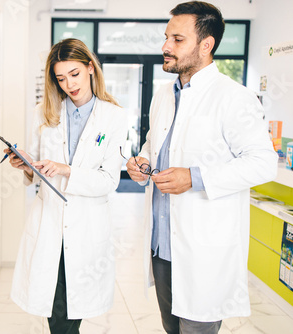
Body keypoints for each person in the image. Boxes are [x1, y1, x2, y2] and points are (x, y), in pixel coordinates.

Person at [126, 2, 277, 333]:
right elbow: (154, 143)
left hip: (203, 250)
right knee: (171, 328)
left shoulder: (234, 98)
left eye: (177, 39)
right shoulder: (164, 94)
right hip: (161, 246)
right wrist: (143, 162)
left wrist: (194, 178)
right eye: (167, 37)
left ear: (206, 45)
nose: (165, 46)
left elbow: (264, 163)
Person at [5, 38, 128, 333]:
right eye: (61, 78)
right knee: (57, 314)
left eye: (74, 74)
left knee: (68, 318)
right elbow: (36, 169)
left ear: (90, 68)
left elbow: (109, 180)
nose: (69, 84)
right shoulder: (44, 112)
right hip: (48, 226)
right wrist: (25, 165)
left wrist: (67, 170)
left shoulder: (114, 117)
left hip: (87, 226)